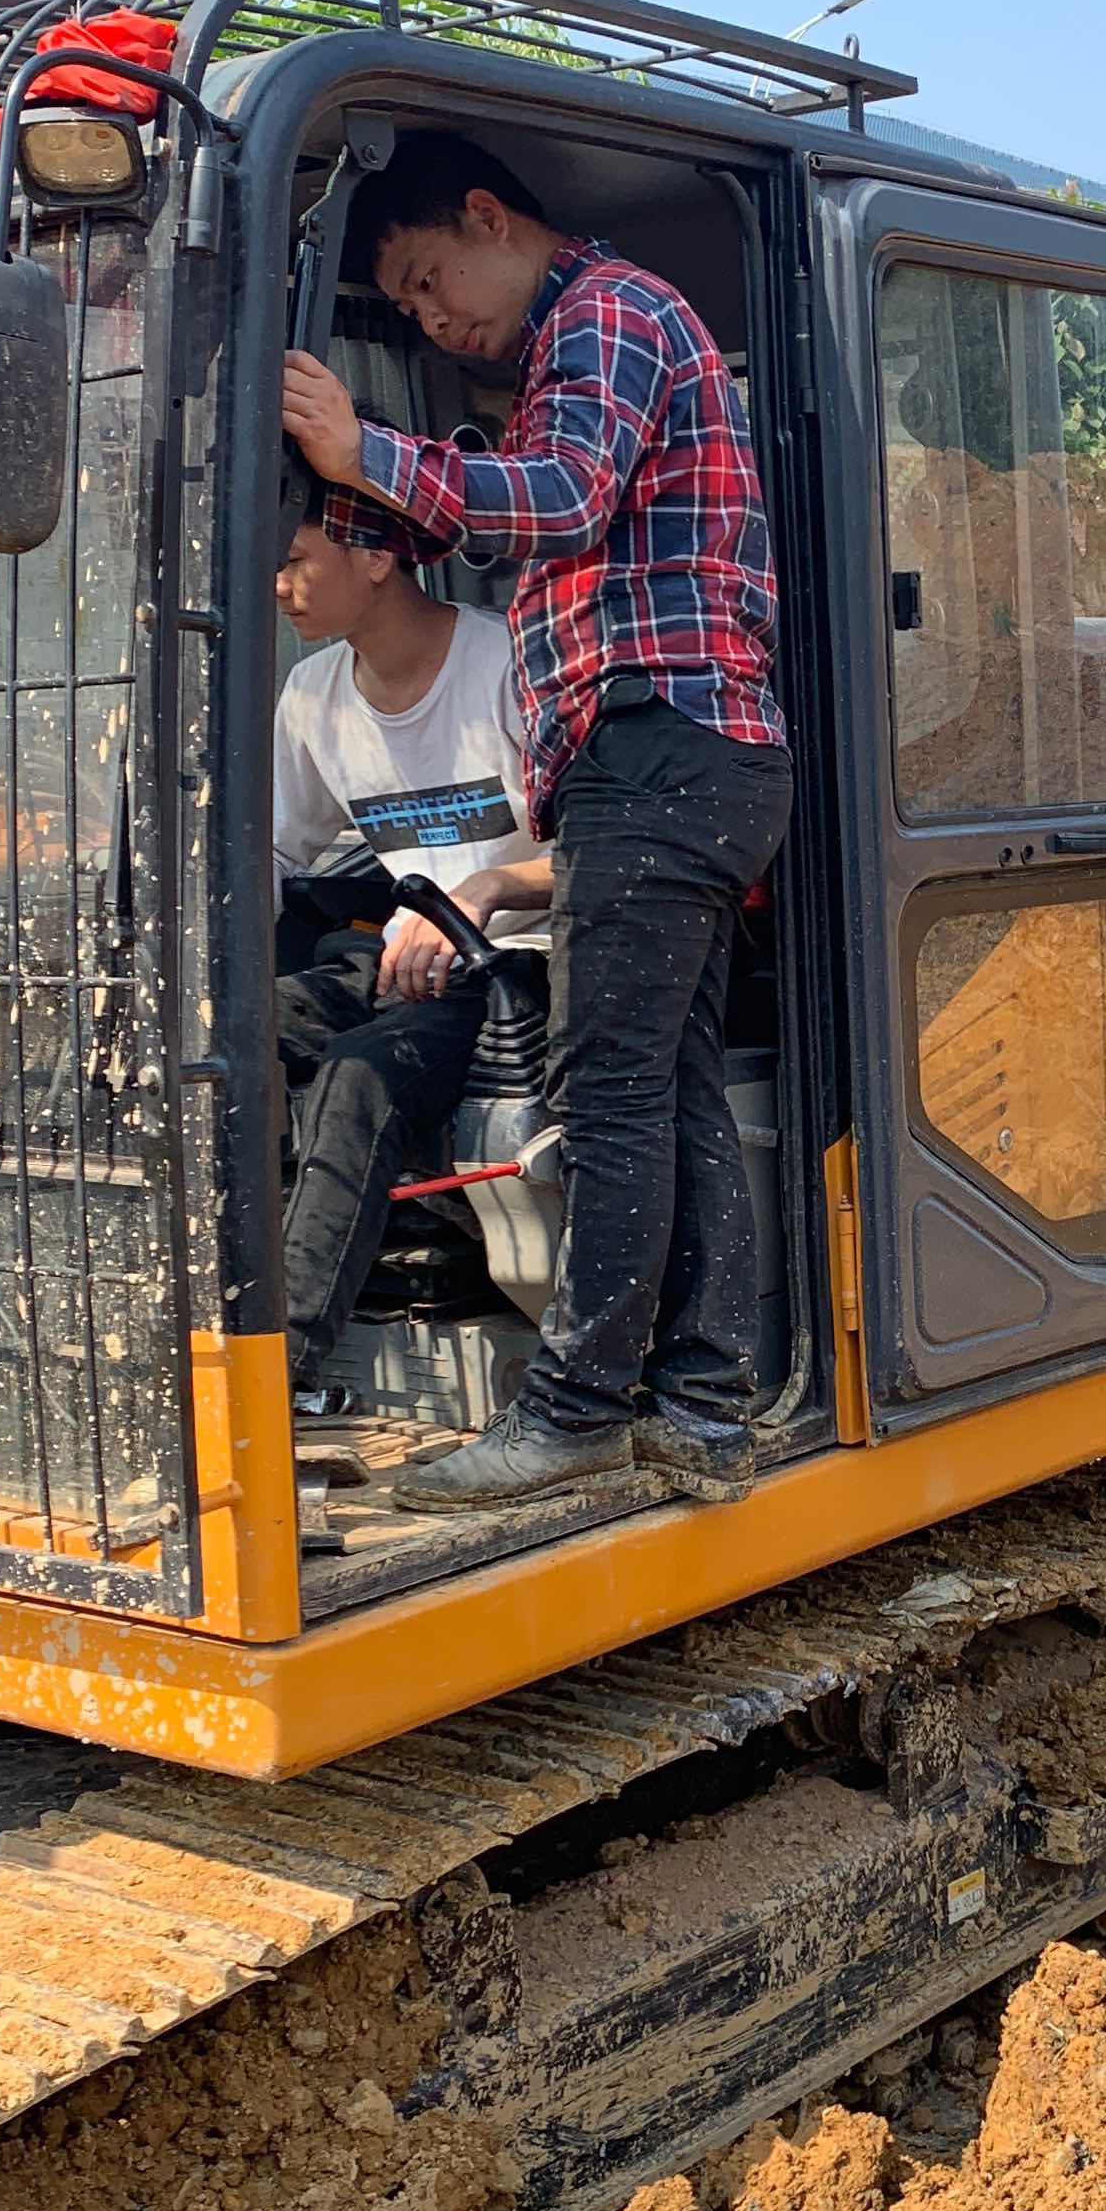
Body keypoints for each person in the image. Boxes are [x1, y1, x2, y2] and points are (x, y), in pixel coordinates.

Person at [279, 132, 792, 1512]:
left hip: (663, 746)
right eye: (411, 309)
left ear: (493, 217)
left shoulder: (608, 316)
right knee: (670, 1090)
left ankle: (575, 1408)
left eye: (434, 280)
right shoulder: (561, 356)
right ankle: (703, 1404)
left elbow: (559, 495)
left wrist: (361, 446)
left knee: (606, 1088)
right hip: (671, 760)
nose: (438, 319)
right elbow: (512, 522)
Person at [271, 506, 551, 1402]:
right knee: (232, 1033)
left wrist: (487, 890)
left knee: (360, 1073)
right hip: (402, 960)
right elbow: (273, 851)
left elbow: (612, 848)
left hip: (524, 963)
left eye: (294, 560)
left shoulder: (510, 665)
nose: (278, 587)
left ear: (380, 554)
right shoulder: (312, 698)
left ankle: (278, 1375)